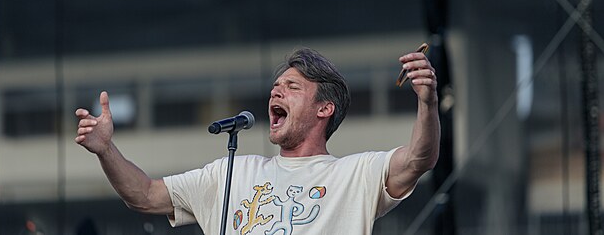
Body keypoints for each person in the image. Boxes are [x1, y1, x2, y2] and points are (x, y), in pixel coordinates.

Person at [75, 47, 440, 235]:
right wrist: (106, 150)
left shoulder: (354, 174)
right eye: (275, 88)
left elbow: (418, 160)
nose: (275, 93)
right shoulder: (232, 173)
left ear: (324, 109)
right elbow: (144, 195)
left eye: (292, 88)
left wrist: (427, 102)